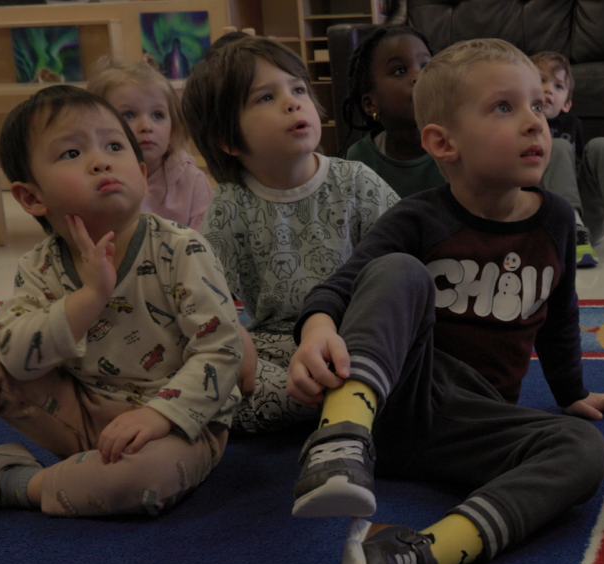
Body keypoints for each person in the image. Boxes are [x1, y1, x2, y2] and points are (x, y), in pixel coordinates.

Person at [285, 38, 604, 564]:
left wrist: (571, 393)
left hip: (473, 424)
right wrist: (317, 331)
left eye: (538, 108)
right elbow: (339, 288)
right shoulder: (416, 217)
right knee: (396, 271)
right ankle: (340, 441)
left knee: (582, 450)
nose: (532, 124)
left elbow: (560, 314)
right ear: (444, 143)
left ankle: (416, 558)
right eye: (504, 108)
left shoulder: (554, 220)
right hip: (394, 400)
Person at [0, 86, 243, 517]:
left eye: (114, 145)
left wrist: (161, 415)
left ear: (143, 174)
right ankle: (83, 470)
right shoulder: (39, 263)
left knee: (147, 478)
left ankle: (22, 483)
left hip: (177, 425)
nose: (100, 160)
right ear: (31, 197)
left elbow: (221, 349)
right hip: (79, 413)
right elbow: (15, 357)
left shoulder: (181, 248)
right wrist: (89, 298)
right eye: (71, 154)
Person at [183, 36, 400, 434]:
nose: (293, 102)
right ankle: (350, 403)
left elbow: (404, 261)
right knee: (216, 383)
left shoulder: (355, 180)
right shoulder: (231, 203)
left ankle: (351, 396)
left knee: (404, 363)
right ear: (228, 140)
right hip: (280, 343)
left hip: (358, 333)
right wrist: (239, 345)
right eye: (265, 98)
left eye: (298, 88)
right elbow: (204, 293)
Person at [532, 51, 604, 266]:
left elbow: (581, 174)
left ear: (566, 104)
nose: (548, 89)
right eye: (540, 81)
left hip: (587, 221)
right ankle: (570, 229)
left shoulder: (572, 124)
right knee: (556, 146)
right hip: (544, 221)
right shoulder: (519, 125)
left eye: (558, 86)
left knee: (603, 145)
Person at [87, 57, 213, 231]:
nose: (146, 126)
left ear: (173, 129)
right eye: (128, 115)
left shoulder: (192, 181)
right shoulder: (91, 180)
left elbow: (206, 250)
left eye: (157, 115)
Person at [342, 24, 447, 197]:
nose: (418, 76)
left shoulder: (459, 145)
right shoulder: (359, 160)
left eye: (426, 66)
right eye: (400, 70)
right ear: (370, 104)